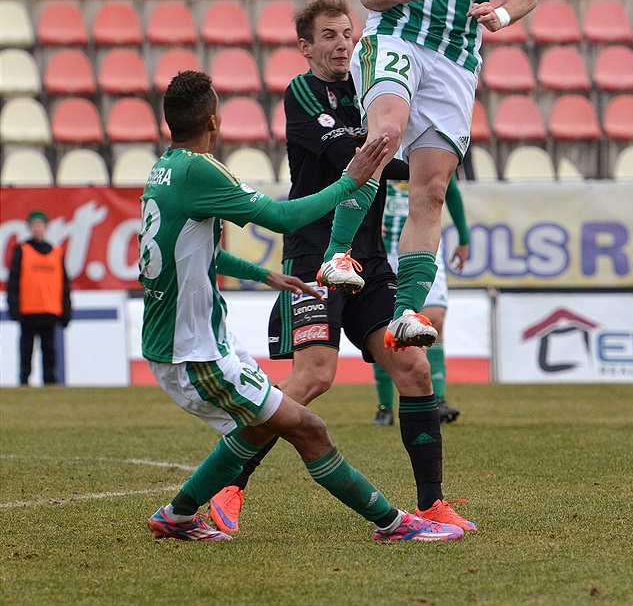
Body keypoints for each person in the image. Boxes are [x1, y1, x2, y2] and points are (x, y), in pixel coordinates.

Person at [140, 69, 464, 543]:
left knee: (267, 423)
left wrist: (262, 273)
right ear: (215, 119)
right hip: (194, 351)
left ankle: (179, 513)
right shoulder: (202, 169)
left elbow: (178, 247)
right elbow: (282, 216)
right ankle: (395, 525)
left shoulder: (163, 169)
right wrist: (350, 180)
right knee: (308, 425)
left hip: (189, 344)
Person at [208, 0, 477, 537]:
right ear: (305, 47)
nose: (341, 43)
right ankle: (226, 488)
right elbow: (351, 155)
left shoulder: (376, 90)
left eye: (347, 33)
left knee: (414, 369)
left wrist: (435, 151)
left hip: (370, 259)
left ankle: (431, 505)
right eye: (328, 35)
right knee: (314, 377)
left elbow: (404, 157)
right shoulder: (302, 94)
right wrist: (403, 146)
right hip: (316, 258)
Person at [316, 0, 537, 356]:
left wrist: (502, 16)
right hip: (396, 39)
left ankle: (408, 312)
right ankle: (338, 254)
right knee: (385, 134)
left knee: (432, 188)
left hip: (457, 58)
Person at [372, 175, 470, 426]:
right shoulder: (378, 139)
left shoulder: (430, 141)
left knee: (434, 319)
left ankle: (437, 399)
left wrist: (464, 237)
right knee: (384, 324)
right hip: (383, 250)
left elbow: (451, 189)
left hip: (426, 247)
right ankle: (384, 406)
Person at [7, 210, 71, 386]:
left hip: (50, 309)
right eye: (34, 225)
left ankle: (50, 382)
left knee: (49, 350)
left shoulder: (56, 252)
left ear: (46, 228)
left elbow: (64, 284)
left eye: (40, 225)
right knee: (26, 349)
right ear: (29, 228)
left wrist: (66, 310)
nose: (38, 229)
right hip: (28, 309)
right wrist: (13, 306)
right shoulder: (22, 250)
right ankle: (24, 380)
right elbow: (13, 281)